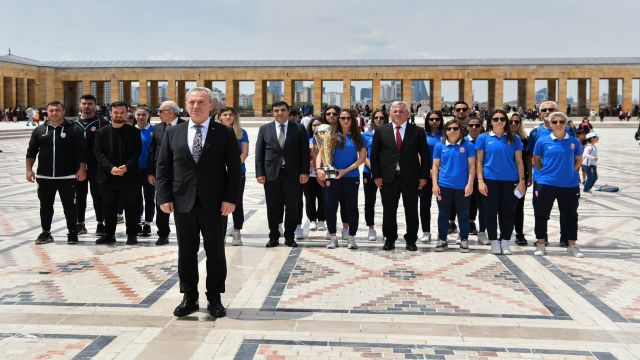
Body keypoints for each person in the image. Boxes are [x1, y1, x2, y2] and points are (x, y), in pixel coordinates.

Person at [156, 87, 241, 318]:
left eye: (201, 102)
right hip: (182, 203)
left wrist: (230, 199)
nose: (196, 106)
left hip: (215, 204)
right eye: (192, 102)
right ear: (186, 105)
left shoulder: (223, 133)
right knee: (186, 252)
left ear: (211, 105)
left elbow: (235, 170)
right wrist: (163, 197)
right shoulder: (174, 133)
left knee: (215, 251)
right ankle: (189, 297)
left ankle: (214, 297)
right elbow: (163, 167)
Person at [370, 101, 429, 251]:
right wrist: (376, 176)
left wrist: (423, 177)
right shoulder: (381, 131)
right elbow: (374, 155)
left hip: (410, 177)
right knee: (389, 210)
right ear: (389, 113)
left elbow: (425, 155)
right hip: (388, 178)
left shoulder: (417, 131)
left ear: (408, 114)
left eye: (401, 111)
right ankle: (390, 239)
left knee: (411, 210)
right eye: (395, 111)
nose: (397, 114)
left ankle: (411, 240)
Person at [26, 101, 87, 244]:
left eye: (57, 110)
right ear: (46, 112)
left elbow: (81, 151)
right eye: (51, 110)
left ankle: (72, 232)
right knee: (45, 206)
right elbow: (31, 152)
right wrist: (29, 169)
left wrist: (82, 168)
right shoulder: (39, 130)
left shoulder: (74, 129)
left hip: (67, 176)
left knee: (70, 206)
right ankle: (46, 232)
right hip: (44, 176)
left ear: (63, 111)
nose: (54, 113)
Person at [255, 101, 310, 248]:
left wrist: (305, 171)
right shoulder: (264, 129)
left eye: (283, 110)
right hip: (271, 174)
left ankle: (289, 236)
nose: (280, 113)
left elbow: (305, 153)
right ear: (272, 113)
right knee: (273, 207)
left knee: (292, 207)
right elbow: (259, 153)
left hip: (292, 174)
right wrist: (260, 173)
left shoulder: (298, 128)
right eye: (276, 110)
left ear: (288, 112)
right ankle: (273, 236)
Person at [532, 111, 584, 258]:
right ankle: (540, 243)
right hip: (546, 184)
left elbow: (578, 160)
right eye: (555, 122)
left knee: (571, 216)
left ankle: (572, 246)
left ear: (566, 124)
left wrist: (568, 171)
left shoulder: (574, 141)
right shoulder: (543, 141)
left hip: (569, 185)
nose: (559, 124)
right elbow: (536, 160)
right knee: (541, 214)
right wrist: (546, 173)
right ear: (550, 124)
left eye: (562, 122)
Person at [475, 110, 526, 255]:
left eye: (502, 119)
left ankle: (505, 241)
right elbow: (479, 161)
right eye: (495, 119)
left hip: (510, 181)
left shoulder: (515, 138)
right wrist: (480, 181)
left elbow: (519, 161)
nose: (499, 121)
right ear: (490, 121)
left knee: (508, 213)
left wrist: (521, 181)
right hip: (489, 181)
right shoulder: (483, 138)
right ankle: (494, 242)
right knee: (490, 213)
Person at [317, 109, 366, 249]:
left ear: (353, 120)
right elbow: (321, 153)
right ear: (339, 119)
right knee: (330, 207)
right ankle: (333, 237)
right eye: (343, 117)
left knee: (352, 207)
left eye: (348, 118)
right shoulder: (331, 135)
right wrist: (320, 169)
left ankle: (351, 237)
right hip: (332, 175)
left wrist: (345, 171)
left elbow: (362, 159)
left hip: (351, 176)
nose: (345, 120)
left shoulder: (358, 137)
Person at [94, 102, 142, 245]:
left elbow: (137, 152)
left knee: (131, 206)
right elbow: (98, 152)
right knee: (108, 207)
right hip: (107, 176)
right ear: (110, 113)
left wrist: (127, 166)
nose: (119, 115)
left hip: (129, 176)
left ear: (127, 113)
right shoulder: (101, 132)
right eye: (116, 113)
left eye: (122, 113)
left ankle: (132, 234)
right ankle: (109, 234)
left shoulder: (134, 132)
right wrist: (110, 168)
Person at [431, 119, 475, 252]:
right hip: (444, 186)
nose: (452, 131)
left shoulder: (468, 146)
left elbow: (472, 167)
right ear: (445, 131)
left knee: (463, 215)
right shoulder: (440, 146)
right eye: (449, 128)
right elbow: (435, 166)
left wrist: (470, 184)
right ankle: (442, 240)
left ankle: (464, 240)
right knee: (443, 214)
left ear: (460, 130)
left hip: (462, 187)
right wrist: (435, 185)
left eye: (455, 128)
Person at [147, 101, 185, 245]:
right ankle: (163, 233)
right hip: (162, 173)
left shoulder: (185, 126)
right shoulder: (157, 128)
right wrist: (151, 172)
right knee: (161, 203)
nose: (158, 114)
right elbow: (153, 151)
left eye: (160, 111)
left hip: (181, 173)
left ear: (171, 112)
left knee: (183, 204)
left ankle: (184, 233)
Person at [73, 94, 109, 236]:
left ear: (95, 105)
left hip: (97, 166)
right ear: (80, 105)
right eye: (84, 103)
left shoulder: (102, 123)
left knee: (98, 195)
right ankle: (80, 223)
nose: (87, 106)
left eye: (90, 103)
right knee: (79, 196)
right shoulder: (74, 124)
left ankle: (101, 223)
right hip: (78, 167)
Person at [217, 107, 248, 246]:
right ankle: (220, 233)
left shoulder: (242, 132)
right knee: (218, 203)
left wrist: (233, 167)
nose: (228, 117)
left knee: (236, 202)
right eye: (225, 114)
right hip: (218, 173)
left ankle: (237, 231)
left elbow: (244, 153)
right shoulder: (215, 131)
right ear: (219, 117)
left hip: (237, 173)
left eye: (231, 114)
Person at [362, 109, 387, 241]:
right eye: (376, 117)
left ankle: (386, 228)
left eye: (381, 118)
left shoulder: (390, 133)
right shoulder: (366, 135)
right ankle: (371, 228)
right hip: (369, 172)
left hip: (386, 173)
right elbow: (362, 155)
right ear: (372, 119)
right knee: (369, 201)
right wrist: (375, 169)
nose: (379, 120)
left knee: (387, 202)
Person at [419, 111, 444, 244]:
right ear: (427, 120)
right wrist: (425, 170)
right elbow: (418, 154)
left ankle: (442, 232)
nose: (434, 121)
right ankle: (426, 232)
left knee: (443, 205)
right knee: (424, 205)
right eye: (431, 119)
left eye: (437, 119)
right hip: (425, 175)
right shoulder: (422, 135)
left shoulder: (445, 135)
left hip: (442, 174)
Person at [465, 116, 488, 244]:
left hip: (482, 179)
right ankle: (464, 232)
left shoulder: (485, 140)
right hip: (467, 179)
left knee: (483, 206)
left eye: (477, 125)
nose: (474, 127)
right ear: (467, 126)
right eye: (471, 125)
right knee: (464, 206)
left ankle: (482, 231)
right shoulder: (462, 141)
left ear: (481, 127)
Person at [509, 112, 531, 246]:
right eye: (511, 121)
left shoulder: (523, 139)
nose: (514, 124)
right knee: (503, 207)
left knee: (518, 206)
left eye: (516, 122)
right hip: (504, 177)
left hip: (519, 178)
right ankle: (503, 233)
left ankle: (519, 233)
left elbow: (528, 158)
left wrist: (529, 175)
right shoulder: (501, 138)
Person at [134, 106, 155, 237]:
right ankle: (137, 221)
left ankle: (147, 224)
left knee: (149, 197)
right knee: (135, 198)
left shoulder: (154, 131)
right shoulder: (130, 131)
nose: (141, 117)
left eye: (143, 114)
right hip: (133, 171)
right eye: (138, 114)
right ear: (135, 116)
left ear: (148, 116)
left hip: (149, 171)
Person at [303, 117, 326, 232]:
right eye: (314, 125)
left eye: (318, 125)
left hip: (323, 174)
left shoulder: (327, 140)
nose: (316, 127)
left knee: (323, 199)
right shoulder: (306, 140)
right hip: (309, 174)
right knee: (309, 199)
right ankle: (312, 220)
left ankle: (321, 220)